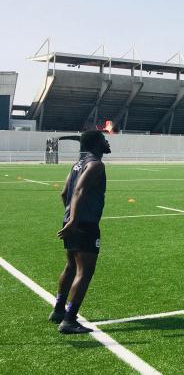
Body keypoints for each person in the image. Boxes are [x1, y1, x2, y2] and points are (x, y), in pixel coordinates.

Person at [49, 130, 111, 334]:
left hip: (73, 223)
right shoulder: (95, 164)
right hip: (84, 224)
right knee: (85, 271)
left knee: (70, 267)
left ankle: (58, 310)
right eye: (103, 139)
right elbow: (79, 191)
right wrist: (75, 219)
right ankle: (69, 319)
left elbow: (64, 192)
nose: (106, 142)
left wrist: (68, 217)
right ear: (96, 143)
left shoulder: (77, 164)